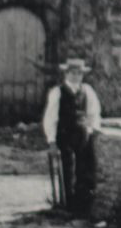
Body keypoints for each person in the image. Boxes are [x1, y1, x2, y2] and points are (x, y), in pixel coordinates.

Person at [42, 58, 102, 215]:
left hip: (82, 135)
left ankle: (83, 203)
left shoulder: (87, 90)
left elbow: (93, 113)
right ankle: (68, 204)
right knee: (67, 168)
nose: (76, 77)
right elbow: (51, 118)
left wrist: (92, 129)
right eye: (73, 73)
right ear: (66, 74)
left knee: (85, 167)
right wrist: (52, 141)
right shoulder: (58, 92)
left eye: (79, 74)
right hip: (65, 135)